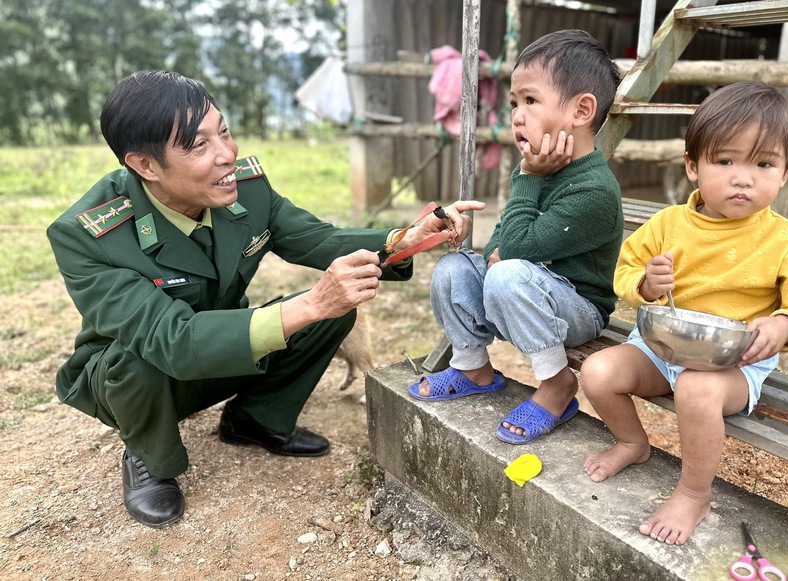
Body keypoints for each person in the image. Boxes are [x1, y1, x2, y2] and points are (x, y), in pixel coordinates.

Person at [46, 70, 484, 529]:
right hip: (140, 381)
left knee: (330, 314)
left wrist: (404, 238)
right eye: (199, 146)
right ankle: (149, 457)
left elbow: (319, 238)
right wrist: (312, 303)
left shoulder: (246, 191)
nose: (226, 155)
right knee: (136, 356)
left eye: (225, 132)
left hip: (222, 353)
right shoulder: (88, 235)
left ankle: (255, 420)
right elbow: (172, 340)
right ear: (146, 166)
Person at [579, 81, 788, 545]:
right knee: (599, 372)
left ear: (784, 175)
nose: (743, 177)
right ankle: (632, 443)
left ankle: (694, 493)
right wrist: (645, 283)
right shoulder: (667, 225)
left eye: (764, 164)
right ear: (693, 166)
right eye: (725, 161)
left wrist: (784, 324)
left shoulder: (785, 241)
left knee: (697, 391)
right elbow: (625, 270)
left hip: (734, 362)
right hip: (663, 345)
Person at [409, 29, 624, 445]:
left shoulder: (594, 190)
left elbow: (517, 247)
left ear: (581, 111)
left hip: (577, 311)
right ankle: (473, 366)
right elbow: (499, 241)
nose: (516, 115)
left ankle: (557, 385)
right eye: (513, 103)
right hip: (520, 295)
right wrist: (499, 251)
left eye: (530, 100)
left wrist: (525, 186)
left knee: (507, 273)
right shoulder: (533, 170)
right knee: (453, 267)